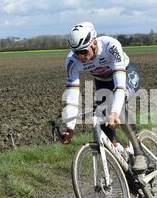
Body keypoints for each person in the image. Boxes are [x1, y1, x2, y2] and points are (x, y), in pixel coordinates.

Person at [59, 21, 147, 173]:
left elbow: (120, 85)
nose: (81, 57)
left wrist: (114, 112)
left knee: (115, 106)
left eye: (84, 52)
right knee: (101, 122)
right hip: (102, 82)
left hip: (125, 74)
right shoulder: (72, 61)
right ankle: (125, 159)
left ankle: (140, 154)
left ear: (94, 43)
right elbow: (72, 96)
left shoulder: (110, 46)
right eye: (76, 53)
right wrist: (70, 126)